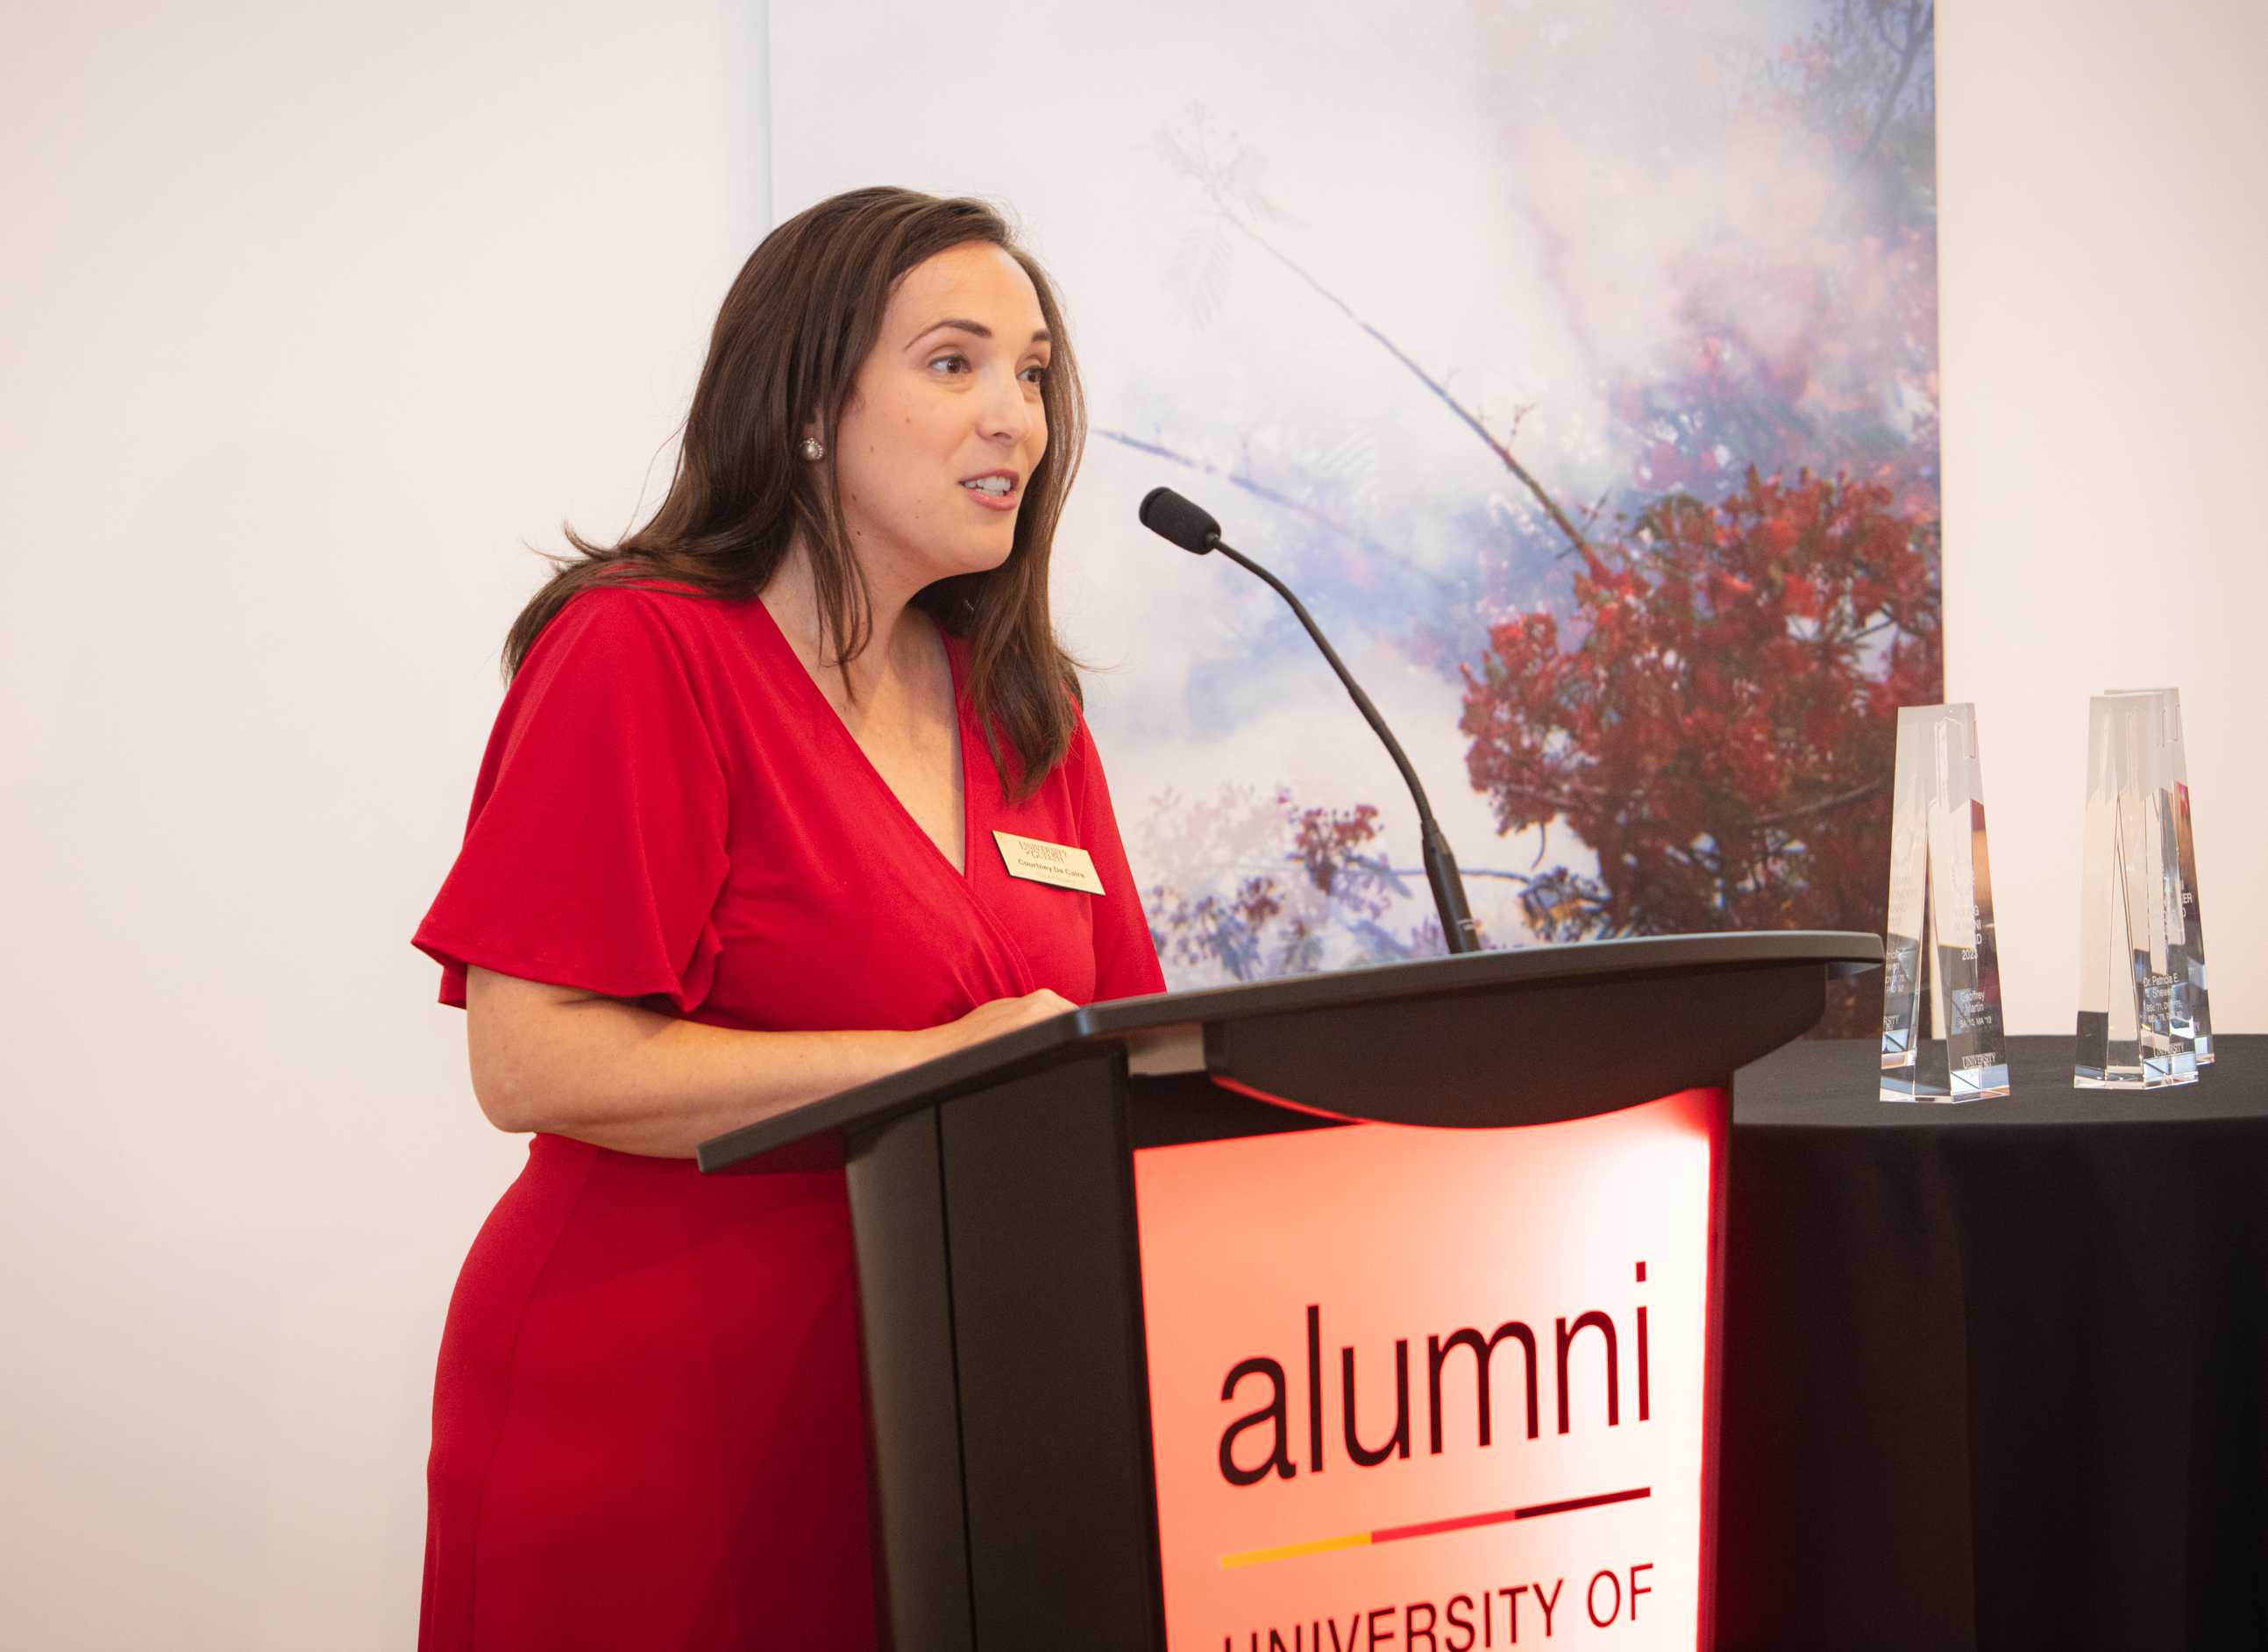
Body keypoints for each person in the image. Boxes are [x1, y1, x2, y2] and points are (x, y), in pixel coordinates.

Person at [409, 187, 1167, 1650]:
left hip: (949, 1432)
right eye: (955, 364)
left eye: (1034, 374)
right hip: (654, 1417)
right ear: (811, 402)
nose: (1015, 414)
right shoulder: (645, 650)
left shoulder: (1030, 714)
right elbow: (534, 1064)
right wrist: (941, 1062)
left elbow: (1113, 1053)